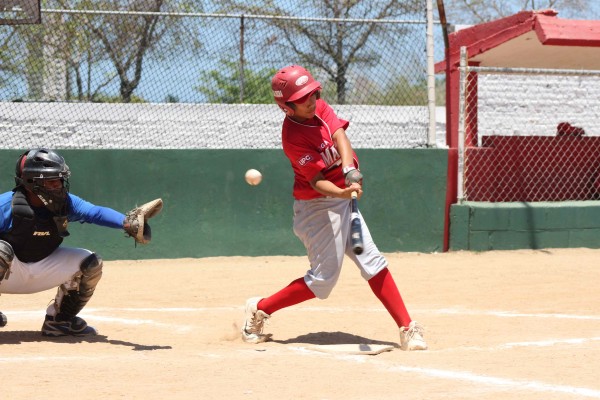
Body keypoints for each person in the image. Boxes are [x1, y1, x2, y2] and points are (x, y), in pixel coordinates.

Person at [241, 65, 427, 351]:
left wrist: (349, 168)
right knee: (323, 282)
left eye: (312, 93)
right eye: (302, 98)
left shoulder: (320, 108)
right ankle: (260, 309)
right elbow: (316, 182)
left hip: (343, 201)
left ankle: (407, 327)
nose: (311, 100)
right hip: (317, 209)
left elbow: (339, 135)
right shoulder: (293, 137)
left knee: (372, 260)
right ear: (287, 107)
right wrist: (343, 190)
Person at [0, 148, 155, 336]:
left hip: (41, 270)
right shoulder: (6, 206)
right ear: (32, 182)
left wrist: (127, 223)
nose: (58, 186)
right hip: (9, 273)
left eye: (60, 180)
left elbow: (95, 212)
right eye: (51, 181)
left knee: (90, 262)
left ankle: (60, 321)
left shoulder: (66, 203)